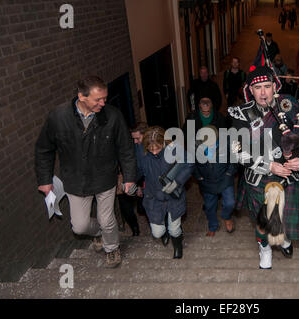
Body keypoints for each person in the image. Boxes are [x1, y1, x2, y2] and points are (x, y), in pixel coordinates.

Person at [228, 66, 299, 269]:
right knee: (264, 221)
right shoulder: (241, 115)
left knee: (283, 218)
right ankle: (265, 249)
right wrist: (270, 166)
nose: (263, 92)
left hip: (289, 178)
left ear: (275, 86)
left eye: (267, 86)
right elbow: (237, 152)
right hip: (259, 179)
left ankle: (283, 239)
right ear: (250, 90)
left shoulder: (289, 106)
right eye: (257, 88)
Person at [35, 75, 136, 268]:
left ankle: (112, 247)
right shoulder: (58, 117)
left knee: (107, 219)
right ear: (81, 96)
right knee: (79, 226)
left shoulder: (113, 116)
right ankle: (99, 233)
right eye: (98, 99)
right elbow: (43, 149)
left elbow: (126, 148)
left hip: (105, 177)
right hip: (75, 180)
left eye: (105, 98)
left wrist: (129, 177)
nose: (103, 103)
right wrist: (45, 179)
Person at [137, 126, 195, 258]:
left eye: (157, 148)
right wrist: (130, 182)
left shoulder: (173, 148)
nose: (155, 152)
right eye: (151, 149)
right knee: (157, 232)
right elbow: (138, 170)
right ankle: (165, 233)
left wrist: (177, 181)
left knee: (174, 229)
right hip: (153, 196)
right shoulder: (141, 152)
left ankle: (177, 244)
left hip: (173, 195)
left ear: (163, 142)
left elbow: (189, 162)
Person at [193, 124, 237, 236]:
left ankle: (227, 217)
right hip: (207, 181)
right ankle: (213, 225)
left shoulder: (226, 143)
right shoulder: (196, 147)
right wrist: (199, 177)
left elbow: (234, 160)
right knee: (209, 206)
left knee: (230, 203)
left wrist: (229, 174)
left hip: (224, 179)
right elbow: (192, 164)